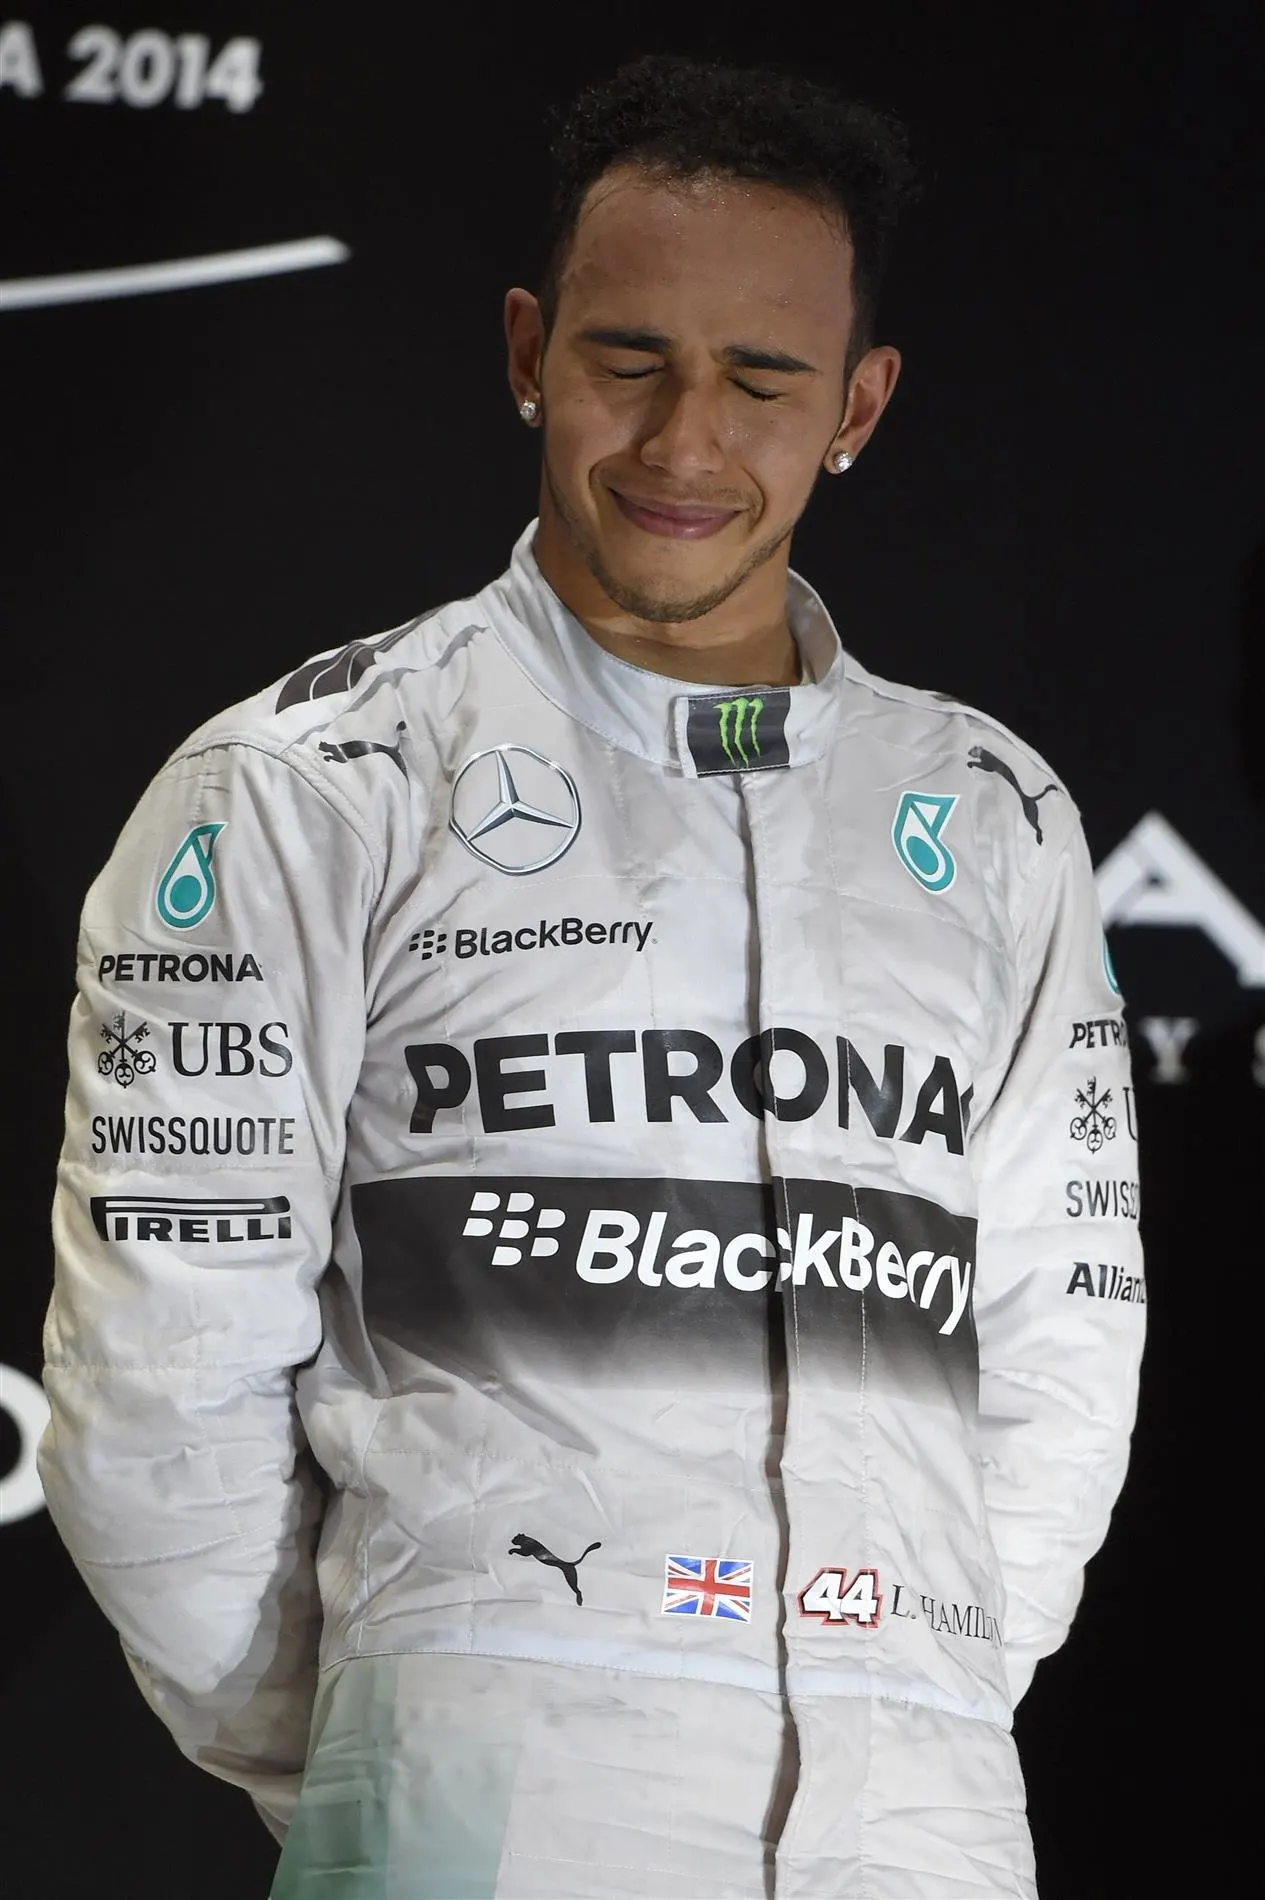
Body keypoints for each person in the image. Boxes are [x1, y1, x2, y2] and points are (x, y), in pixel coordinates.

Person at [38, 52, 1145, 1900]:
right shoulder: (310, 784)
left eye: (764, 377)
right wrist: (415, 1735)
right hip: (485, 1808)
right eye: (629, 359)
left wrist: (918, 1664)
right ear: (528, 350)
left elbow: (1063, 1343)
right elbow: (159, 1373)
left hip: (927, 1812)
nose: (684, 442)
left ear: (860, 402)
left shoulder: (998, 816)